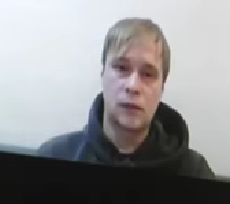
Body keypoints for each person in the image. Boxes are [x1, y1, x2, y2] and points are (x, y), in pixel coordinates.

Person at [37, 18, 215, 179]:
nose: (133, 86)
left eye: (148, 74)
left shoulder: (194, 170)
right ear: (102, 74)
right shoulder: (53, 155)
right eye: (121, 68)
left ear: (162, 87)